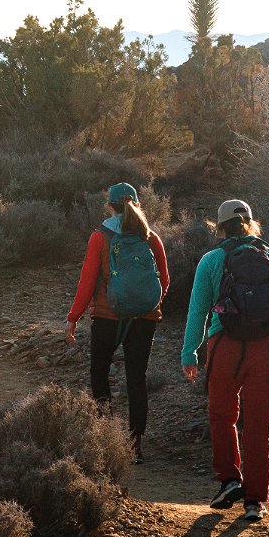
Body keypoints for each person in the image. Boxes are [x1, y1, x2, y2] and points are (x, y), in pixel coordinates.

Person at [181, 199, 269, 522]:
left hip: (225, 346)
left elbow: (197, 311)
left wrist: (189, 352)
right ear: (252, 224)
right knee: (257, 424)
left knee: (221, 415)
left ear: (220, 227)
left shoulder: (211, 261)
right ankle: (254, 502)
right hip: (268, 347)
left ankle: (229, 480)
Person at [66, 183, 169, 464]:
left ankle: (105, 437)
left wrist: (73, 318)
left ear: (109, 205)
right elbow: (165, 281)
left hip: (107, 317)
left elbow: (87, 283)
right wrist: (147, 304)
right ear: (137, 203)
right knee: (137, 378)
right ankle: (135, 445)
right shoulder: (151, 237)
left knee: (99, 372)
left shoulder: (100, 236)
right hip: (144, 319)